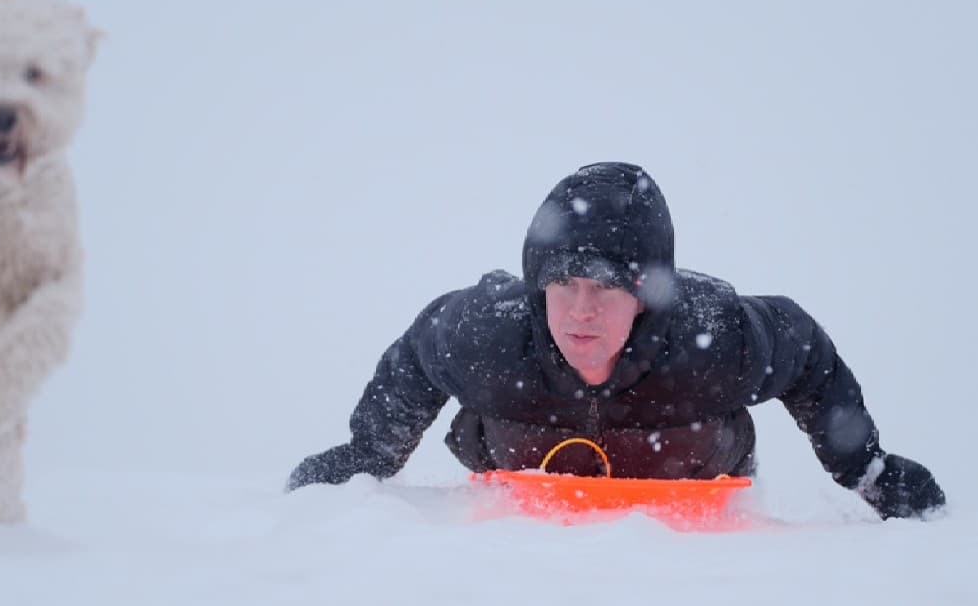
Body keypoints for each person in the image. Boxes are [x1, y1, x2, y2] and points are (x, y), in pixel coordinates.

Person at [286, 162, 945, 520]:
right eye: (563, 283)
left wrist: (867, 470)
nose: (580, 311)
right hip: (520, 482)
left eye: (605, 288)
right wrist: (365, 457)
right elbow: (414, 360)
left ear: (646, 294)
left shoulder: (713, 338)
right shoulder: (487, 333)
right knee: (511, 425)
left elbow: (805, 353)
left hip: (686, 492)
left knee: (683, 439)